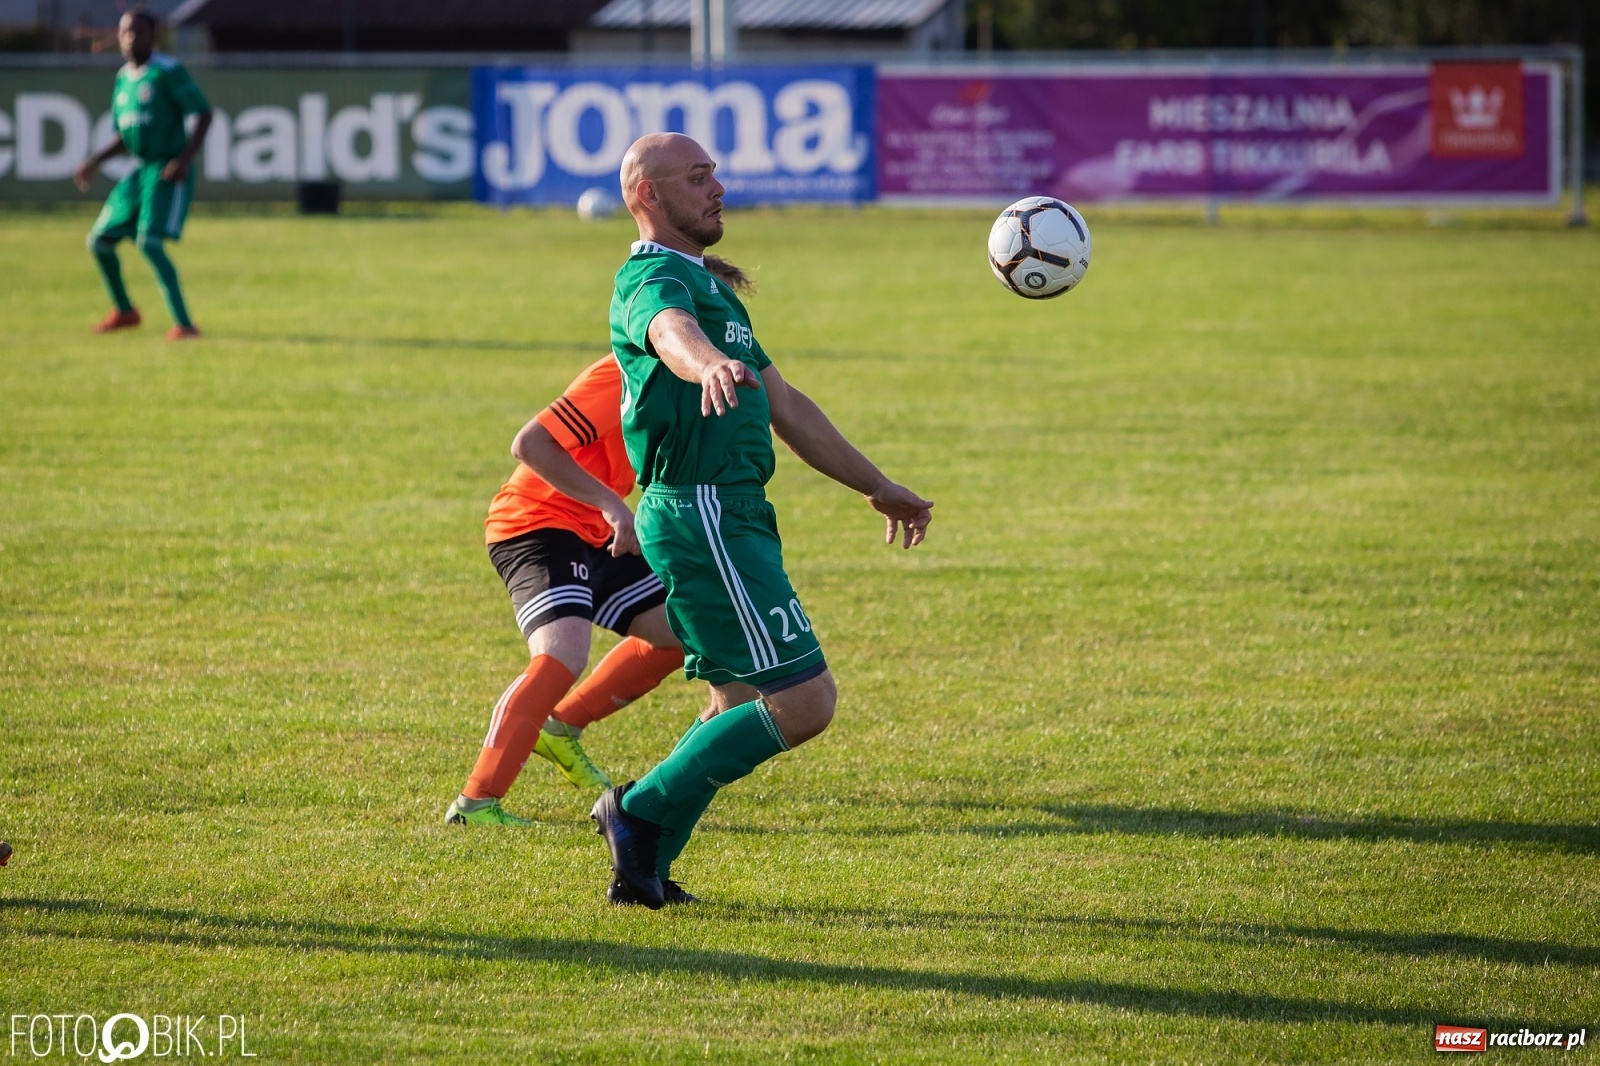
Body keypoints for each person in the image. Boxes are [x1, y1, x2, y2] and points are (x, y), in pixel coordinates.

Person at [590, 132, 935, 909]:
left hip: (734, 510)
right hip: (703, 508)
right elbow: (666, 335)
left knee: (736, 701)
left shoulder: (711, 288)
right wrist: (704, 362)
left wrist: (875, 484)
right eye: (697, 176)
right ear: (647, 193)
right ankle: (634, 810)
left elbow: (786, 407)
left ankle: (642, 874)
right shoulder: (649, 280)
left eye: (715, 173)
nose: (718, 188)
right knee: (805, 701)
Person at [444, 354, 688, 826]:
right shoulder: (622, 372)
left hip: (599, 529)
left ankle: (560, 726)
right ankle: (475, 804)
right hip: (537, 524)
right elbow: (531, 444)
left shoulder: (686, 380)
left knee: (684, 628)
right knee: (562, 656)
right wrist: (612, 505)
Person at [73, 10, 211, 340]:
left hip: (166, 168)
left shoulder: (168, 72)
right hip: (140, 170)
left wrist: (184, 159)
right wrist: (93, 161)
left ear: (155, 35)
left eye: (138, 32)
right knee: (99, 242)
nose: (131, 38)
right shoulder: (123, 78)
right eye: (125, 32)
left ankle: (185, 325)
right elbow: (124, 135)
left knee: (148, 243)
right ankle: (124, 311)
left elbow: (203, 114)